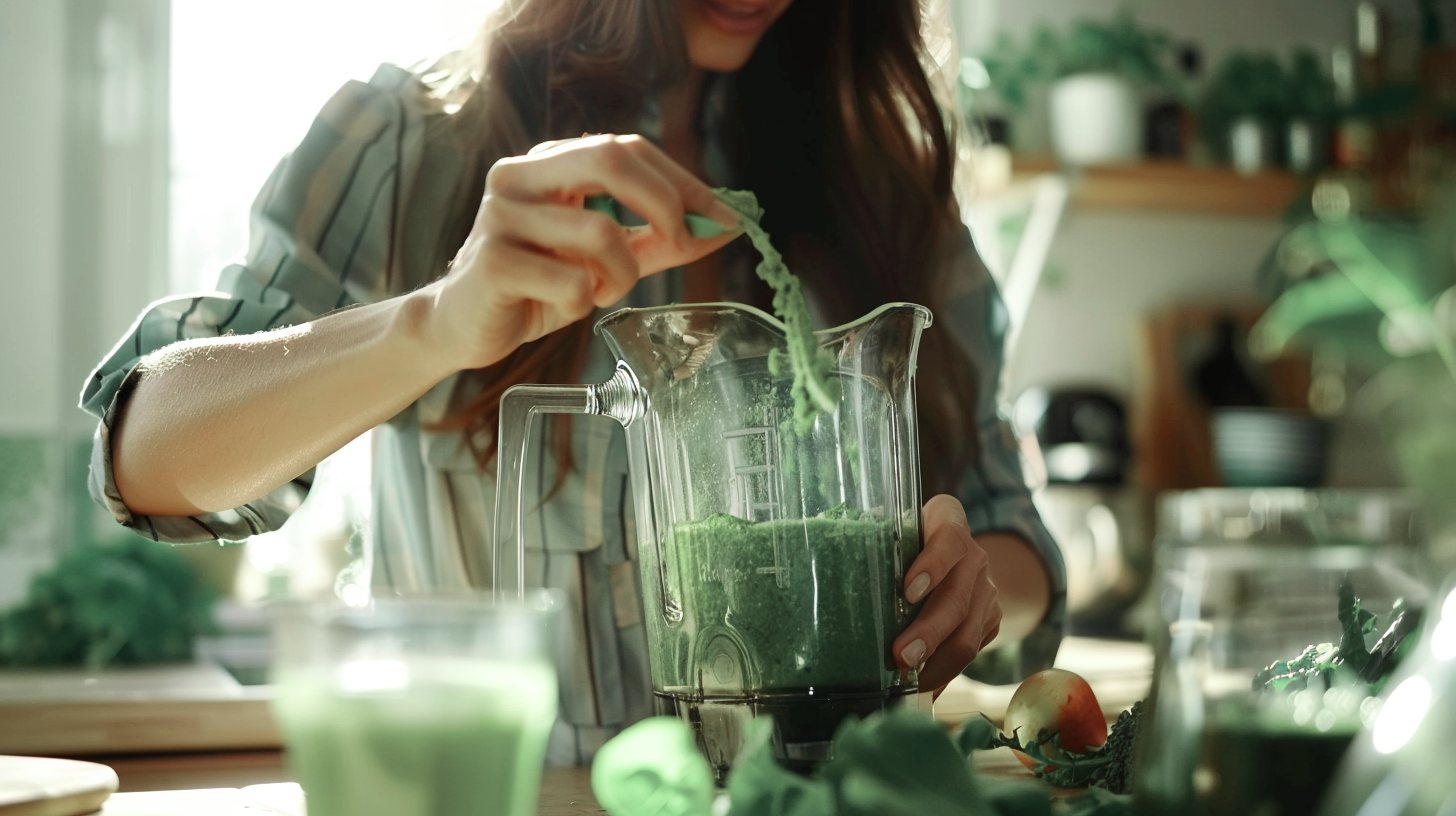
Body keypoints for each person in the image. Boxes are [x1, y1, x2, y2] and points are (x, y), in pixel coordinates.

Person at [80, 0, 1066, 764]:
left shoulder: (887, 195)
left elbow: (1011, 536)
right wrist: (432, 322)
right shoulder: (406, 143)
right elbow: (144, 458)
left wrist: (966, 586)